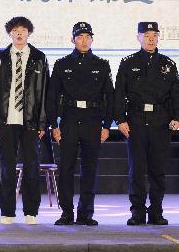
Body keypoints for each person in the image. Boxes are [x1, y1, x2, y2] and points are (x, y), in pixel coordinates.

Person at [114, 22, 179, 226]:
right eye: (146, 35)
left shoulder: (168, 64)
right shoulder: (128, 63)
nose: (151, 39)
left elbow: (177, 94)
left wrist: (177, 117)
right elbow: (119, 92)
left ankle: (156, 212)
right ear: (138, 37)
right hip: (135, 122)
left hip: (160, 123)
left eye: (154, 35)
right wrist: (120, 119)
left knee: (158, 170)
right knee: (136, 170)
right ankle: (137, 212)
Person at [47, 22, 114, 226]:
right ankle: (66, 213)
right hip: (69, 121)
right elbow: (52, 97)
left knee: (89, 169)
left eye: (87, 37)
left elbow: (109, 97)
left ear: (92, 39)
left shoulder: (101, 65)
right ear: (72, 39)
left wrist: (106, 126)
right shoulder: (62, 64)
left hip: (92, 122)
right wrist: (54, 125)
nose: (84, 41)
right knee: (66, 168)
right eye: (80, 37)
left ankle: (86, 213)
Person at [0, 16, 50, 225]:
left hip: (31, 121)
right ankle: (7, 212)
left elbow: (45, 92)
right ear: (10, 33)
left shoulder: (39, 57)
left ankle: (31, 211)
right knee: (7, 168)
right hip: (6, 121)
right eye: (15, 30)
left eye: (23, 29)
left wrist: (42, 123)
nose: (19, 33)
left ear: (29, 33)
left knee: (32, 167)